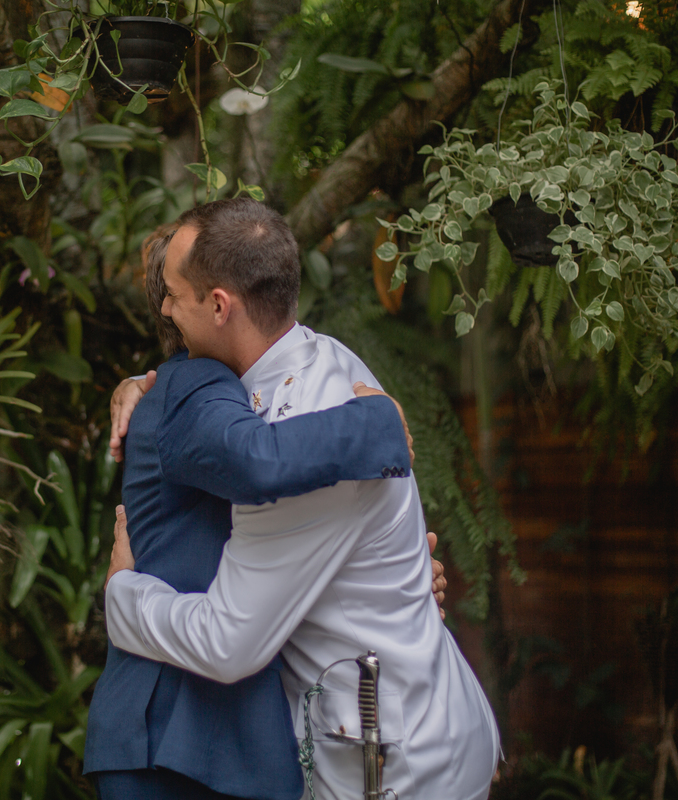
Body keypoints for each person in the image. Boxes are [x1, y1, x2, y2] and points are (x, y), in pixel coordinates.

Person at [104, 198, 500, 799]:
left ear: (219, 306)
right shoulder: (330, 357)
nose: (163, 307)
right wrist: (143, 386)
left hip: (394, 761)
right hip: (416, 710)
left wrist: (124, 596)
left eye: (174, 294)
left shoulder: (294, 449)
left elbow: (228, 643)